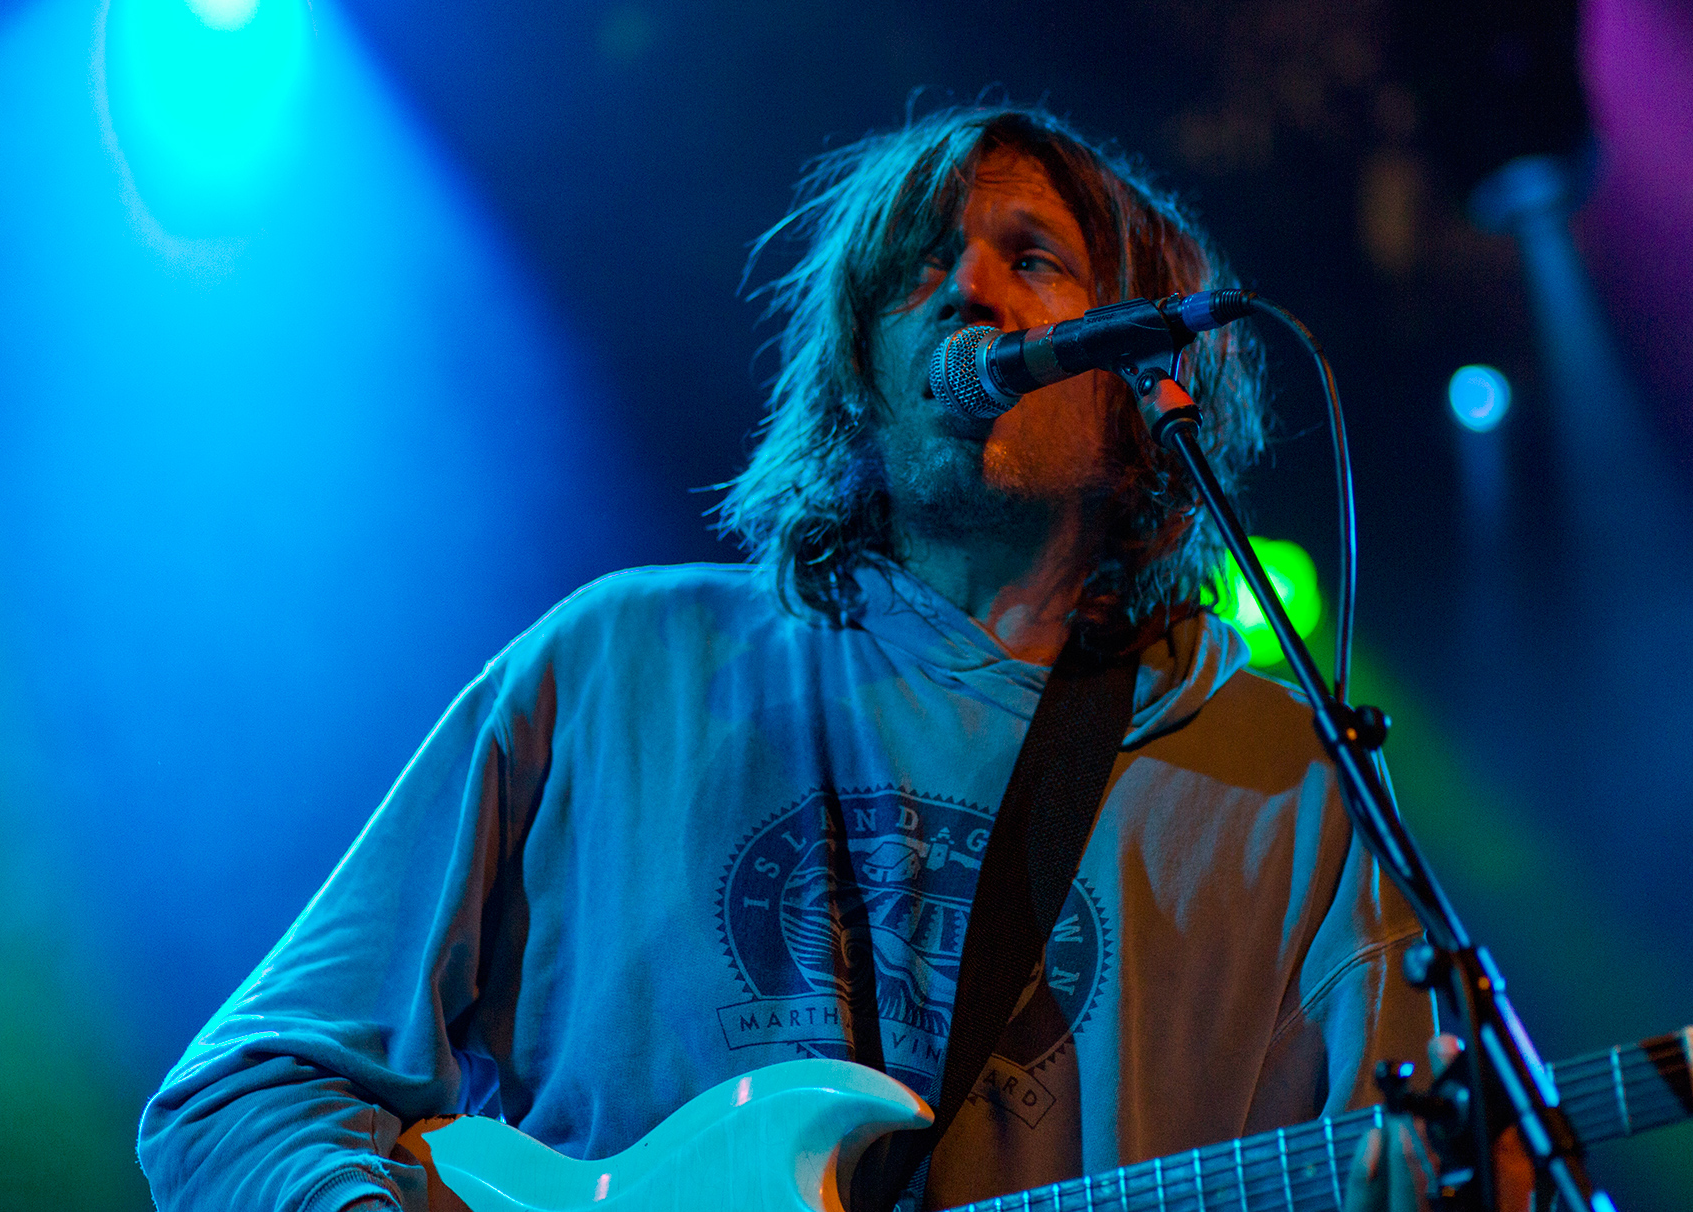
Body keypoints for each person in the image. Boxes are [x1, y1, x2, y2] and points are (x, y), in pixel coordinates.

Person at [137, 104, 1440, 1212]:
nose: (967, 288)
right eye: (916, 267)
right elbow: (241, 1094)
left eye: (1033, 257)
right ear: (858, 375)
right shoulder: (615, 669)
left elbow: (1432, 1145)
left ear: (1144, 381)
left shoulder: (1292, 783)